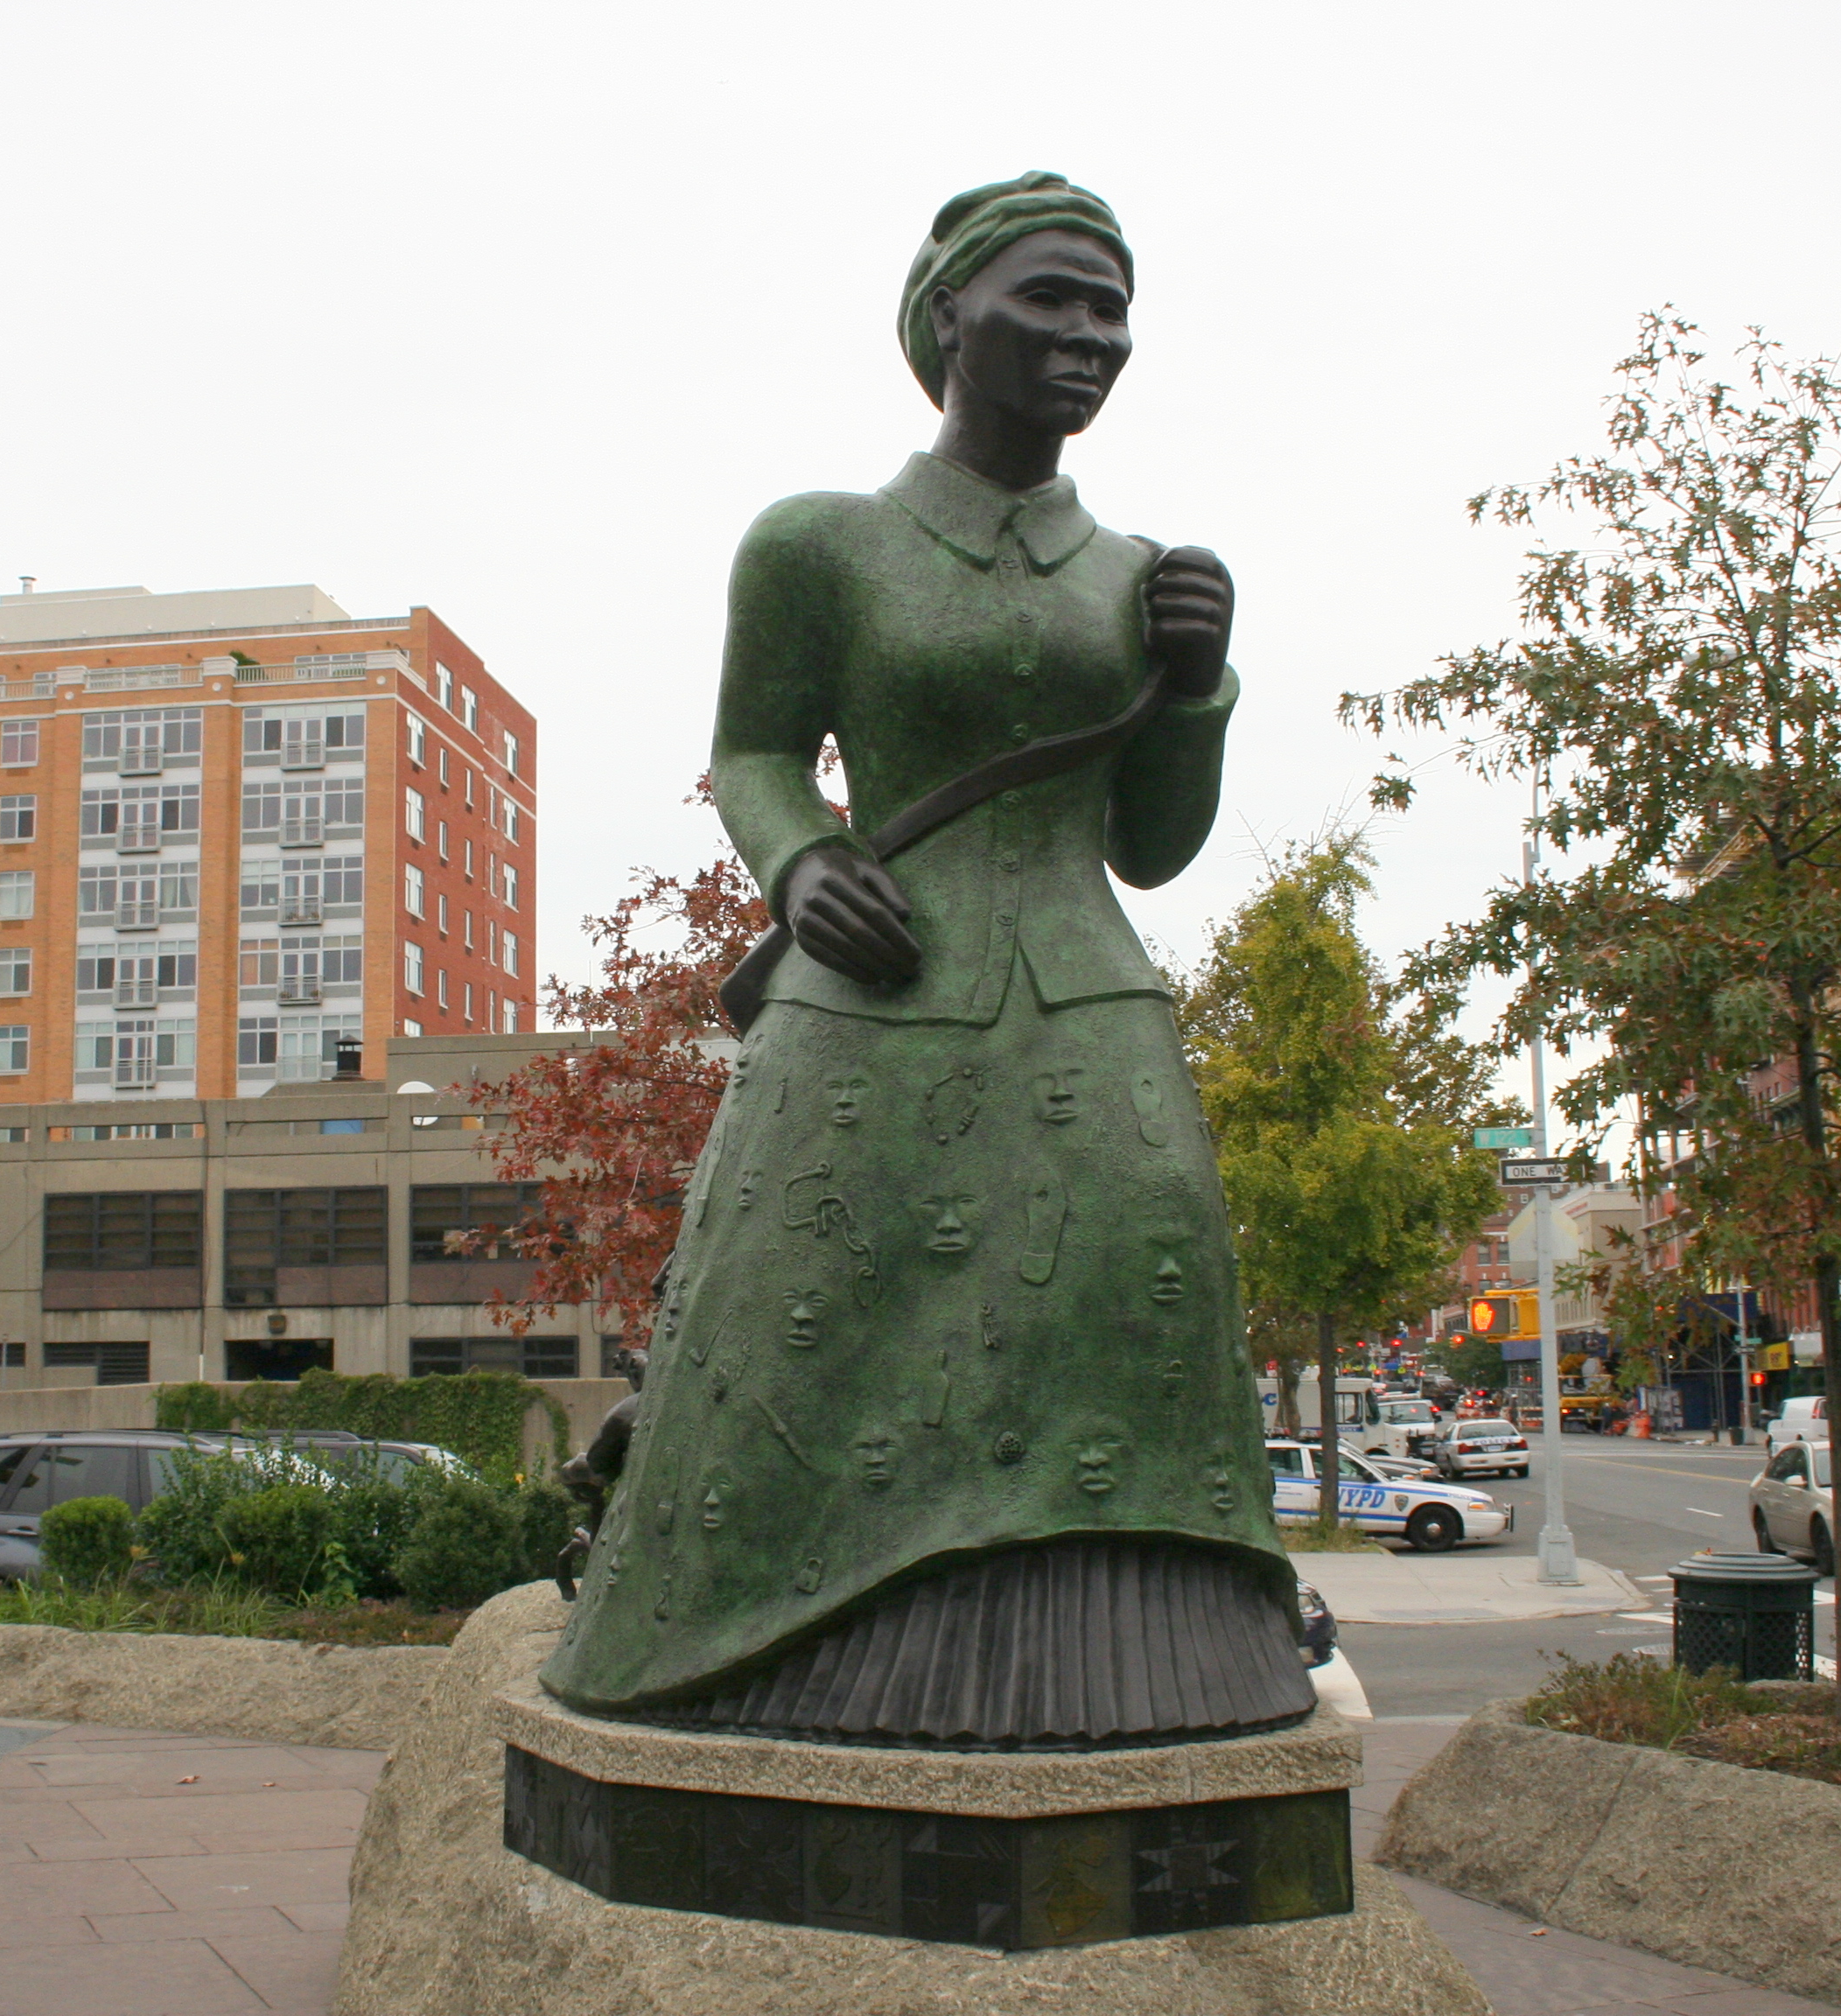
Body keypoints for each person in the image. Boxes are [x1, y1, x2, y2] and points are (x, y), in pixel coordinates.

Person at [539, 173, 1310, 1748]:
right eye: (1052, 300)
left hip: (1091, 1005)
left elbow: (1153, 846)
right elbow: (754, 749)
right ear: (950, 313)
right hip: (870, 996)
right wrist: (806, 858)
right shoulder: (822, 543)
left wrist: (1198, 682)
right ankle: (759, 1660)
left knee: (1135, 1320)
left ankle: (1148, 1661)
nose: (1090, 337)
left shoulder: (1137, 566)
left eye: (1111, 310)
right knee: (801, 1324)